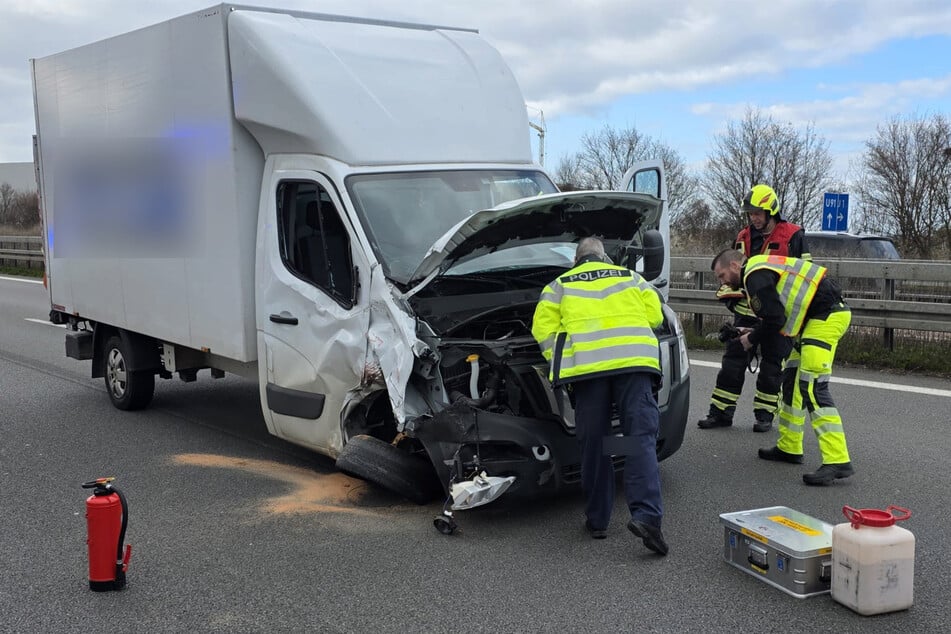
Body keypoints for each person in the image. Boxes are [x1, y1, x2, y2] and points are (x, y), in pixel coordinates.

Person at [531, 237, 668, 554]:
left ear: (575, 260)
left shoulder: (559, 285)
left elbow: (543, 330)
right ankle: (647, 517)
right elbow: (655, 317)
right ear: (605, 257)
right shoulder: (631, 277)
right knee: (637, 439)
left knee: (595, 442)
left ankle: (598, 521)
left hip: (589, 373)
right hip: (634, 366)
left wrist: (564, 363)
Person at [711, 249, 855, 485]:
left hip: (825, 319)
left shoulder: (753, 275)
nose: (723, 282)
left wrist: (752, 339)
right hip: (814, 320)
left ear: (735, 266)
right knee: (790, 382)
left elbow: (775, 320)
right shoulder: (761, 267)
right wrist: (751, 331)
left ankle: (837, 460)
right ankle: (789, 447)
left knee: (812, 387)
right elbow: (775, 315)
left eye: (722, 275)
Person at [698, 184, 810, 433]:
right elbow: (730, 271)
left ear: (771, 211)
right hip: (746, 310)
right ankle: (720, 413)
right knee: (732, 362)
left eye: (758, 213)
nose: (754, 218)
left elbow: (804, 275)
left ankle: (764, 415)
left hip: (777, 313)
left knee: (772, 366)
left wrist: (798, 317)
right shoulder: (742, 237)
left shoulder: (793, 235)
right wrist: (729, 300)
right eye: (750, 214)